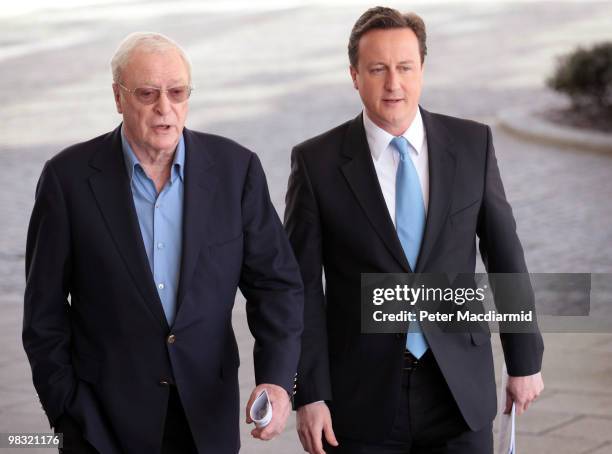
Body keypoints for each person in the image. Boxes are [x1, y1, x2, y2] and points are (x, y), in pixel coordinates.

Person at [23, 32, 303, 454]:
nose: (164, 109)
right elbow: (43, 314)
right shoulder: (68, 179)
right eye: (148, 93)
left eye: (176, 92)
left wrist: (278, 381)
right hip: (102, 425)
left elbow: (276, 285)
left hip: (206, 419)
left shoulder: (235, 170)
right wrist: (67, 410)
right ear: (118, 98)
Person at [285, 7, 544, 454]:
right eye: (378, 69)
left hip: (458, 391)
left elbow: (505, 255)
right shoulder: (316, 163)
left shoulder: (472, 144)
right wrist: (309, 392)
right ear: (354, 75)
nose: (393, 84)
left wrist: (524, 360)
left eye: (405, 67)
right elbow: (302, 288)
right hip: (359, 399)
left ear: (421, 67)